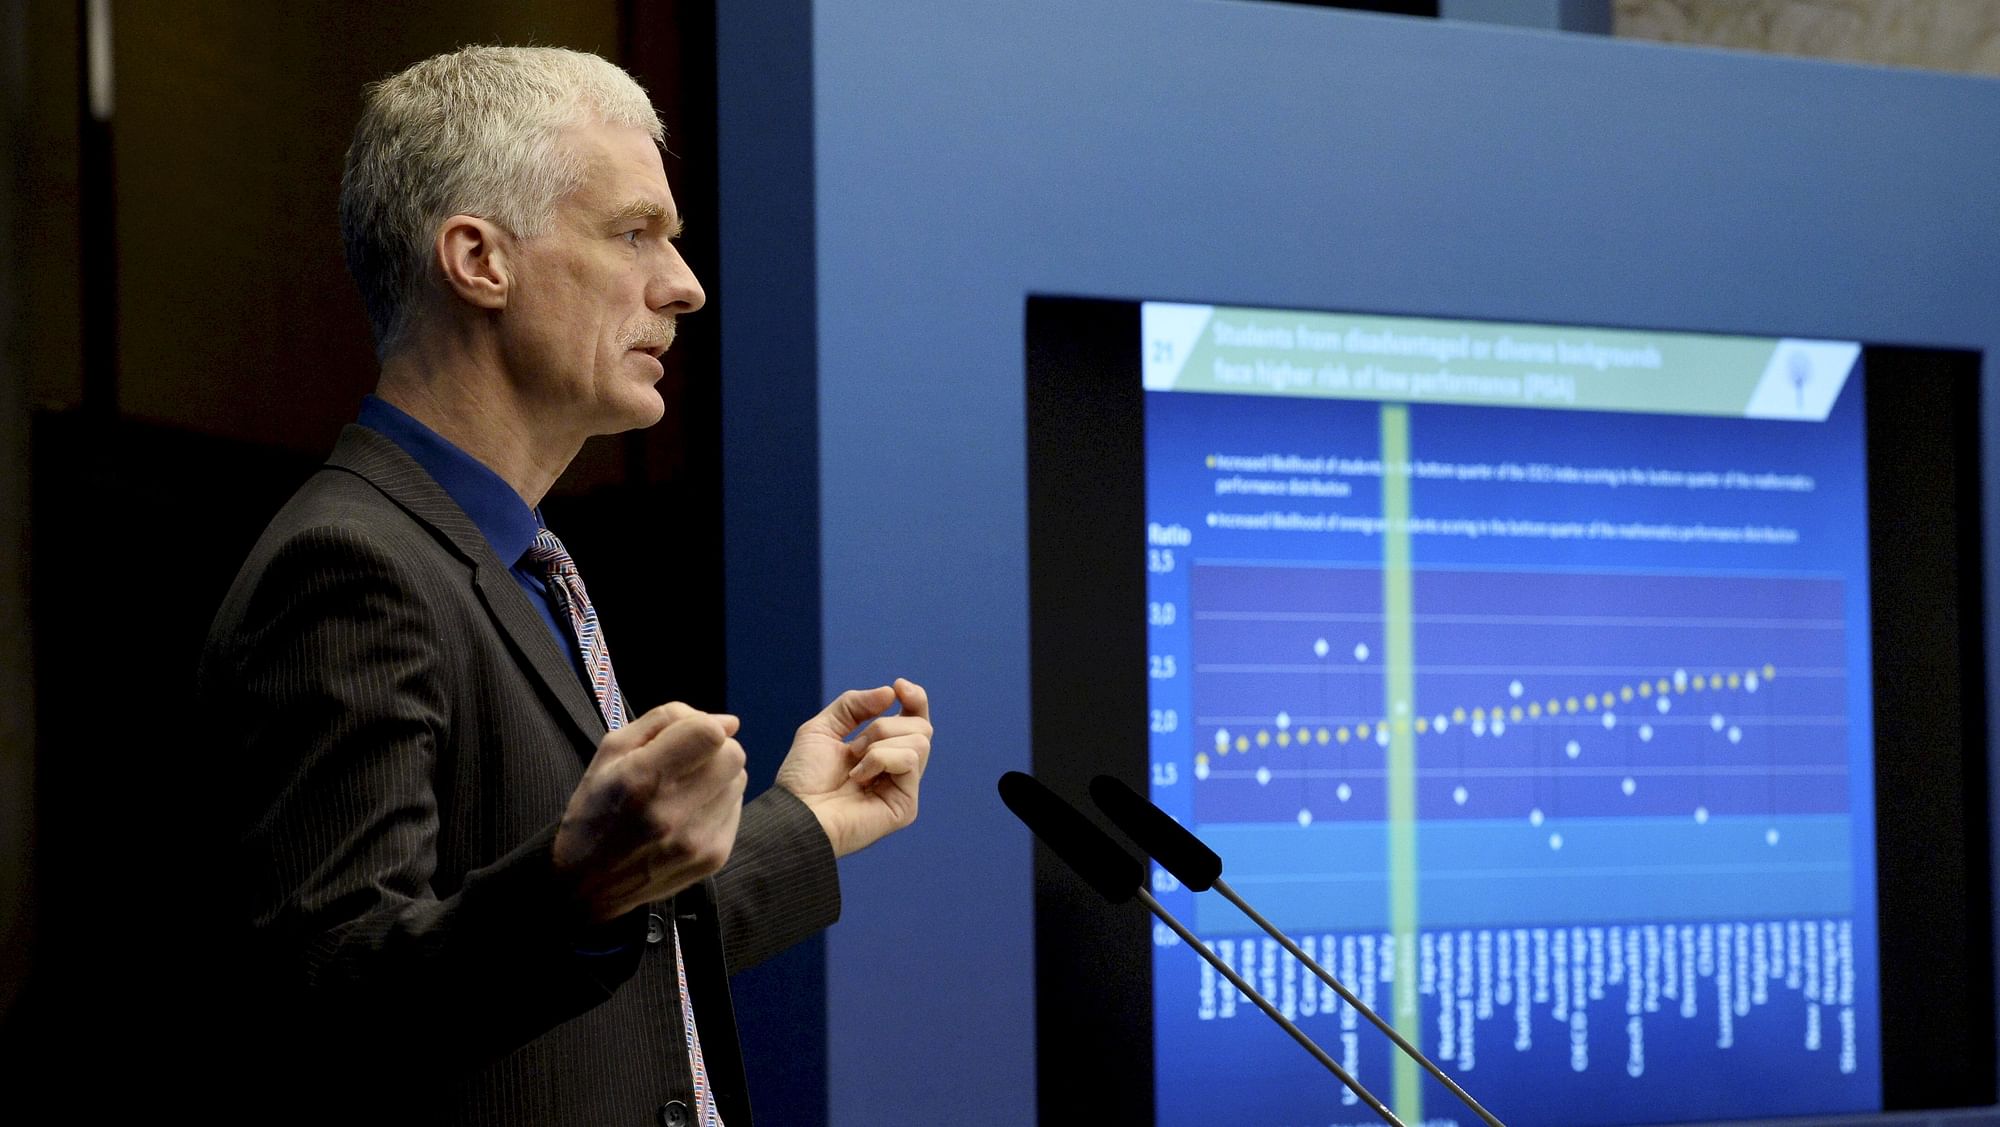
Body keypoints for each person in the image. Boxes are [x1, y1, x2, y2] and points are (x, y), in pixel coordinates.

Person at [195, 45, 931, 1127]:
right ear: (478, 259)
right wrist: (574, 883)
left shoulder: (514, 560)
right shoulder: (352, 567)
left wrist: (808, 821)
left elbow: (613, 951)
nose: (684, 283)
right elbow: (334, 1002)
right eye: (634, 232)